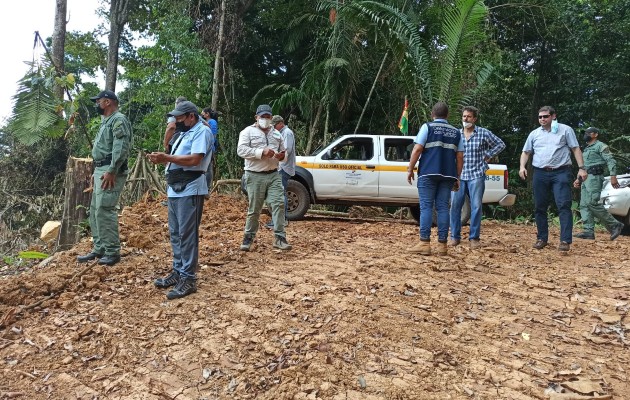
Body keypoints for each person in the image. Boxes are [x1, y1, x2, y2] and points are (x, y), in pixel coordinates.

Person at [147, 101, 213, 300]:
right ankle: (178, 271)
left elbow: (195, 160)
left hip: (190, 187)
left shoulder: (202, 131)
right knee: (176, 233)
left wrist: (167, 158)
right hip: (175, 189)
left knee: (187, 233)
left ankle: (189, 278)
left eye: (180, 118)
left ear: (191, 116)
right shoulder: (183, 133)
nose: (176, 122)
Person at [519, 106, 588, 252]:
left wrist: (582, 168)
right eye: (540, 117)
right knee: (539, 206)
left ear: (553, 116)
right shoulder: (534, 134)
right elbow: (526, 152)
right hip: (540, 173)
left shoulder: (565, 130)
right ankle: (542, 238)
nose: (542, 119)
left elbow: (575, 149)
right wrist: (522, 167)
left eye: (545, 116)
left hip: (561, 172)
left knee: (563, 205)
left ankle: (565, 241)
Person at [77, 90, 132, 266]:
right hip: (102, 169)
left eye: (98, 101)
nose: (97, 104)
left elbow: (121, 148)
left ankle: (112, 251)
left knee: (105, 208)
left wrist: (112, 170)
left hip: (111, 170)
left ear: (107, 102)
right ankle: (99, 248)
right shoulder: (106, 121)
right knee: (95, 209)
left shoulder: (118, 120)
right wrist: (97, 171)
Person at [406, 101, 464, 256]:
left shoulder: (428, 127)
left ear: (433, 114)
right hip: (448, 175)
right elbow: (459, 157)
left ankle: (424, 243)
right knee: (443, 208)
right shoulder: (456, 132)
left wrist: (410, 169)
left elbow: (418, 148)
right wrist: (457, 177)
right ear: (447, 115)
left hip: (428, 173)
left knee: (426, 207)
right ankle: (442, 246)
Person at [449, 106, 506, 249]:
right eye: (463, 116)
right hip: (459, 175)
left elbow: (500, 144)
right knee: (455, 206)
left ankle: (474, 237)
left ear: (474, 119)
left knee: (476, 206)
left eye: (468, 117)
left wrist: (488, 156)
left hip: (476, 174)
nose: (465, 119)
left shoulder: (483, 133)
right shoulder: (456, 134)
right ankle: (454, 237)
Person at [237, 104, 291, 251]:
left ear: (271, 118)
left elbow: (284, 154)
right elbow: (241, 150)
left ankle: (280, 238)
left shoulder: (277, 134)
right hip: (254, 175)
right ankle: (248, 238)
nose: (265, 119)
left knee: (278, 204)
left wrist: (282, 156)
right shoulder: (247, 132)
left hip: (274, 174)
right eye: (263, 117)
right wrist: (261, 152)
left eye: (268, 117)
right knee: (255, 208)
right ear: (257, 117)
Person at [573, 127, 624, 240]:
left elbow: (610, 160)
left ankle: (615, 224)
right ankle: (588, 231)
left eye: (588, 133)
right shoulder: (586, 149)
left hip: (595, 177)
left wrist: (613, 176)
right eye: (584, 133)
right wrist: (578, 179)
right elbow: (583, 166)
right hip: (585, 178)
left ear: (595, 134)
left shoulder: (601, 146)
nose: (585, 134)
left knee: (592, 202)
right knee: (584, 204)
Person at [265, 115, 295, 229]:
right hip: (282, 166)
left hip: (284, 167)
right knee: (279, 193)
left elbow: (286, 149)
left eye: (275, 125)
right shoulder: (283, 133)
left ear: (280, 123)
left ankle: (281, 220)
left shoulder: (287, 133)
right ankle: (279, 220)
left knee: (280, 194)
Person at [201, 107, 219, 195]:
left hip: (209, 148)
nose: (202, 115)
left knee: (208, 168)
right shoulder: (206, 122)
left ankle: (207, 189)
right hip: (204, 147)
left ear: (207, 114)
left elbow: (213, 136)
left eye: (203, 113)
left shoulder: (212, 122)